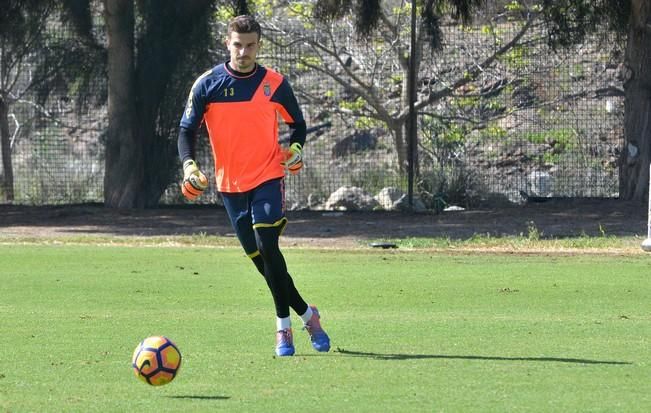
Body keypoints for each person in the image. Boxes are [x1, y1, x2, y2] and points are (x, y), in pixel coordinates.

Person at [177, 14, 330, 357]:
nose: (243, 51)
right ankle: (308, 314)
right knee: (263, 261)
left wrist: (295, 149)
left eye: (250, 46)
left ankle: (283, 330)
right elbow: (186, 131)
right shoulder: (207, 84)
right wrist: (189, 166)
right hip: (230, 186)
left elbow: (299, 125)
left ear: (259, 45)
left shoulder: (274, 83)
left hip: (268, 176)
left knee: (268, 243)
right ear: (227, 43)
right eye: (237, 45)